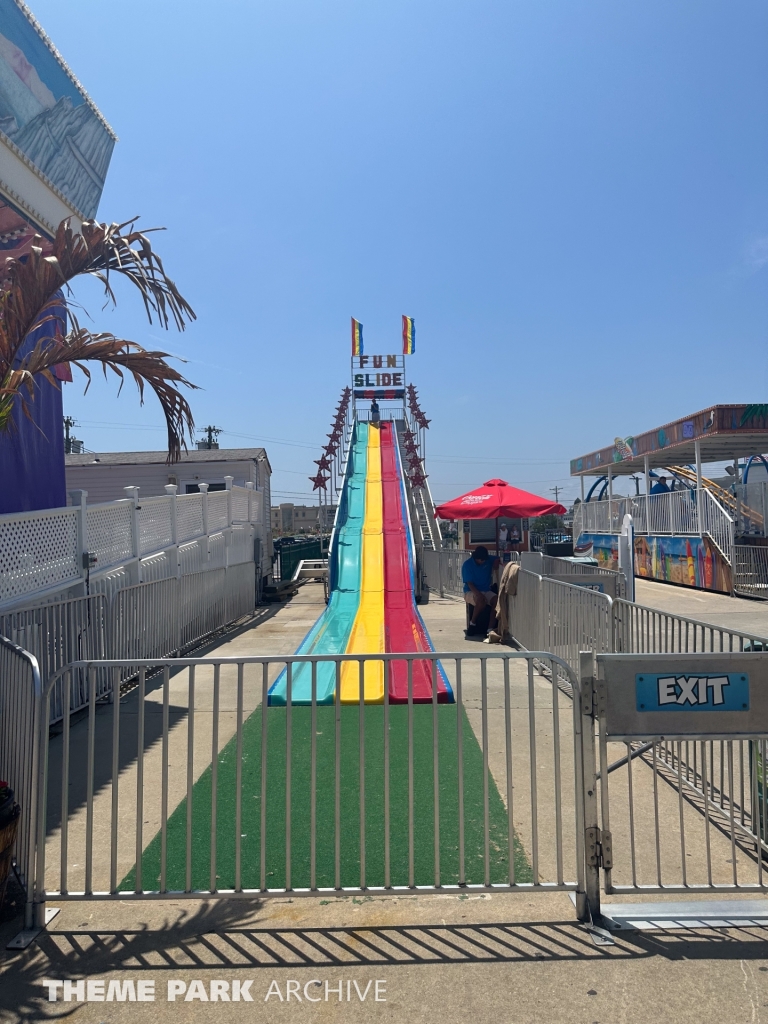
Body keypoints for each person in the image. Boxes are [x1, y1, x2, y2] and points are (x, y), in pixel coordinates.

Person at [462, 545, 501, 635]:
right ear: (476, 558)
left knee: (496, 600)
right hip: (470, 591)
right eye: (481, 560)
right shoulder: (467, 565)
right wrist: (478, 594)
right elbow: (469, 583)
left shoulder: (487, 560)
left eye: (484, 559)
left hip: (486, 589)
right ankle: (472, 623)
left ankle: (490, 629)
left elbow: (498, 558)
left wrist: (496, 563)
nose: (483, 561)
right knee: (481, 600)